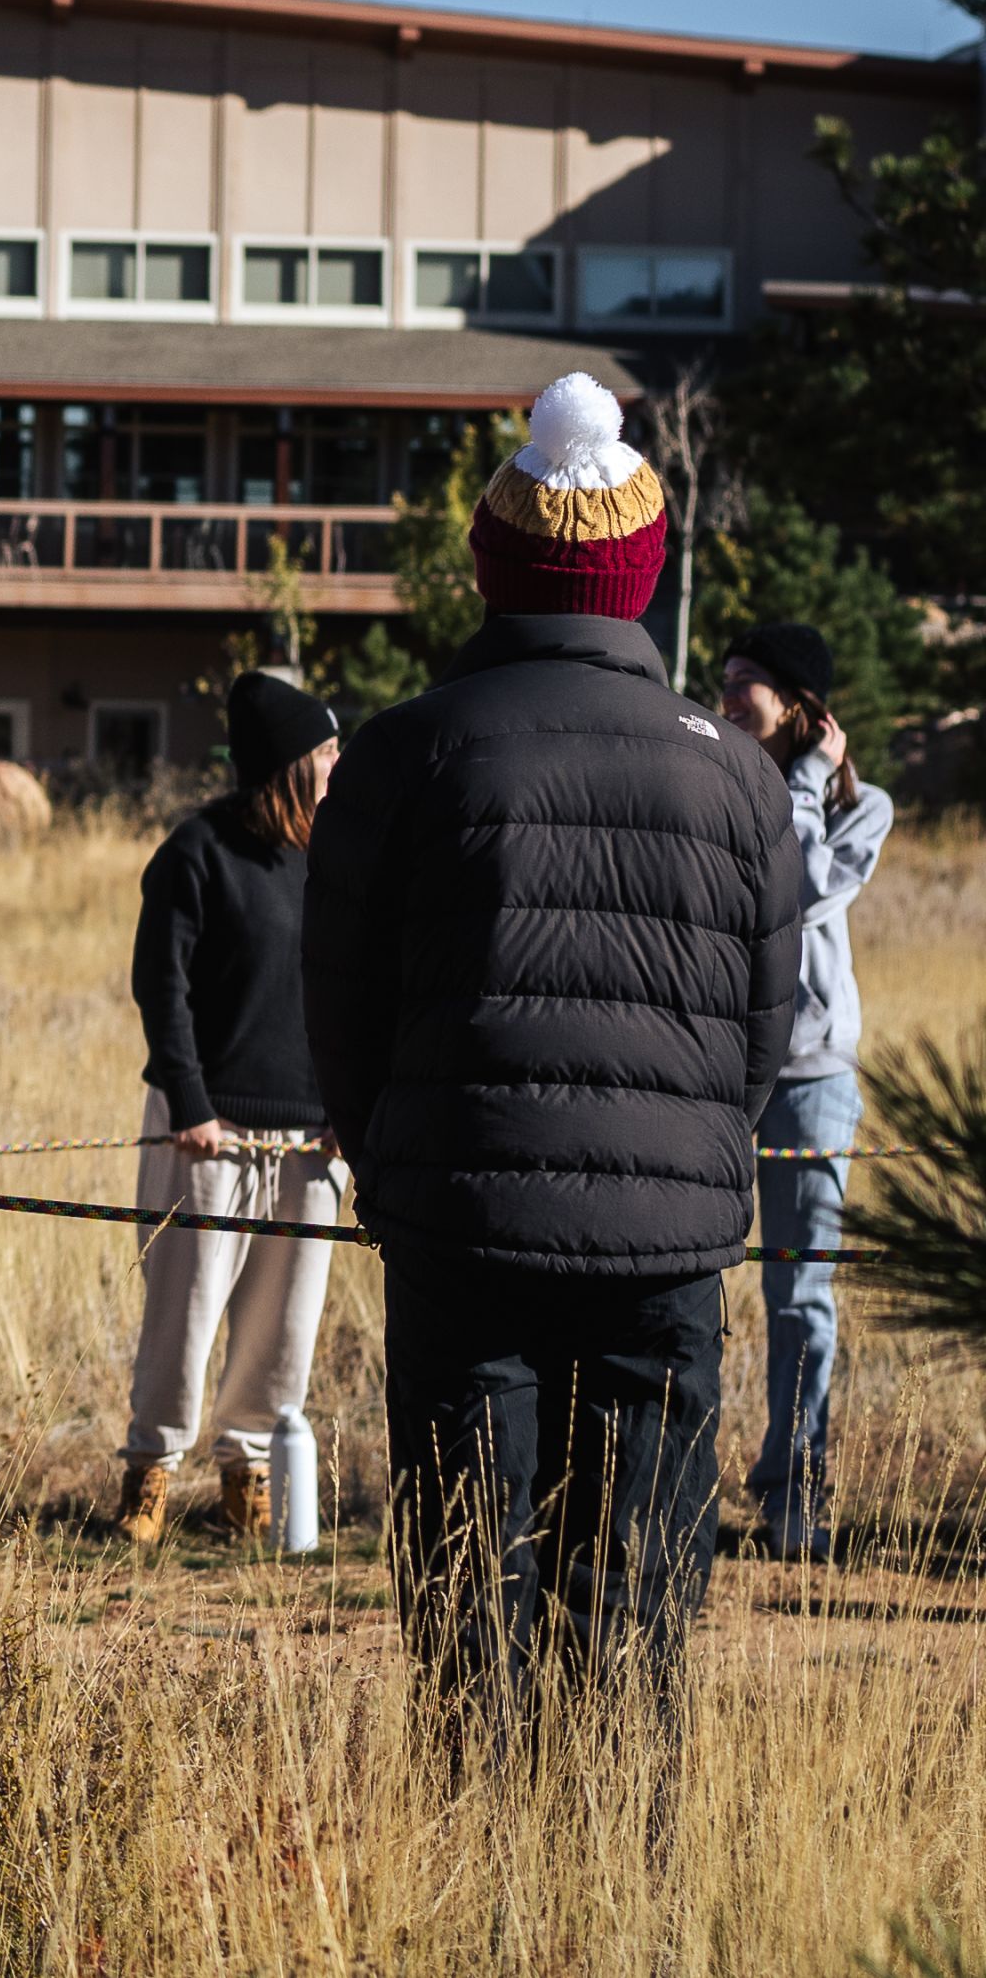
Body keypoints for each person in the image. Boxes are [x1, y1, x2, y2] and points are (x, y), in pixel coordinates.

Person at [307, 375, 799, 1734]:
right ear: (640, 575)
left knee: (469, 1582)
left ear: (489, 567)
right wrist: (690, 1147)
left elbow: (338, 1005)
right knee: (639, 1587)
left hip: (460, 1220)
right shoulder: (736, 772)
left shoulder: (404, 752)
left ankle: (475, 1890)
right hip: (667, 1245)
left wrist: (389, 1146)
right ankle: (618, 1888)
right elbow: (765, 1026)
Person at [111, 673, 346, 1550]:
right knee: (184, 1311)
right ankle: (150, 1471)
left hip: (313, 1135)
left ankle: (248, 1472)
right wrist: (191, 1102)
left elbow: (356, 990)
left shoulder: (337, 854)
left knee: (285, 1321)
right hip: (207, 1128)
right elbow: (160, 988)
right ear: (289, 764)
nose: (339, 762)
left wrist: (345, 1110)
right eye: (325, 749)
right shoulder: (195, 852)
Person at [719, 620, 892, 1561]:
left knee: (801, 1298)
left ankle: (793, 1494)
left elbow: (796, 885)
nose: (726, 689)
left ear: (799, 708)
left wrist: (804, 784)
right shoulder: (715, 784)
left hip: (812, 1082)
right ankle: (671, 1484)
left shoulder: (865, 809)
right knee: (685, 1280)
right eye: (726, 675)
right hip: (710, 1071)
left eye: (746, 679)